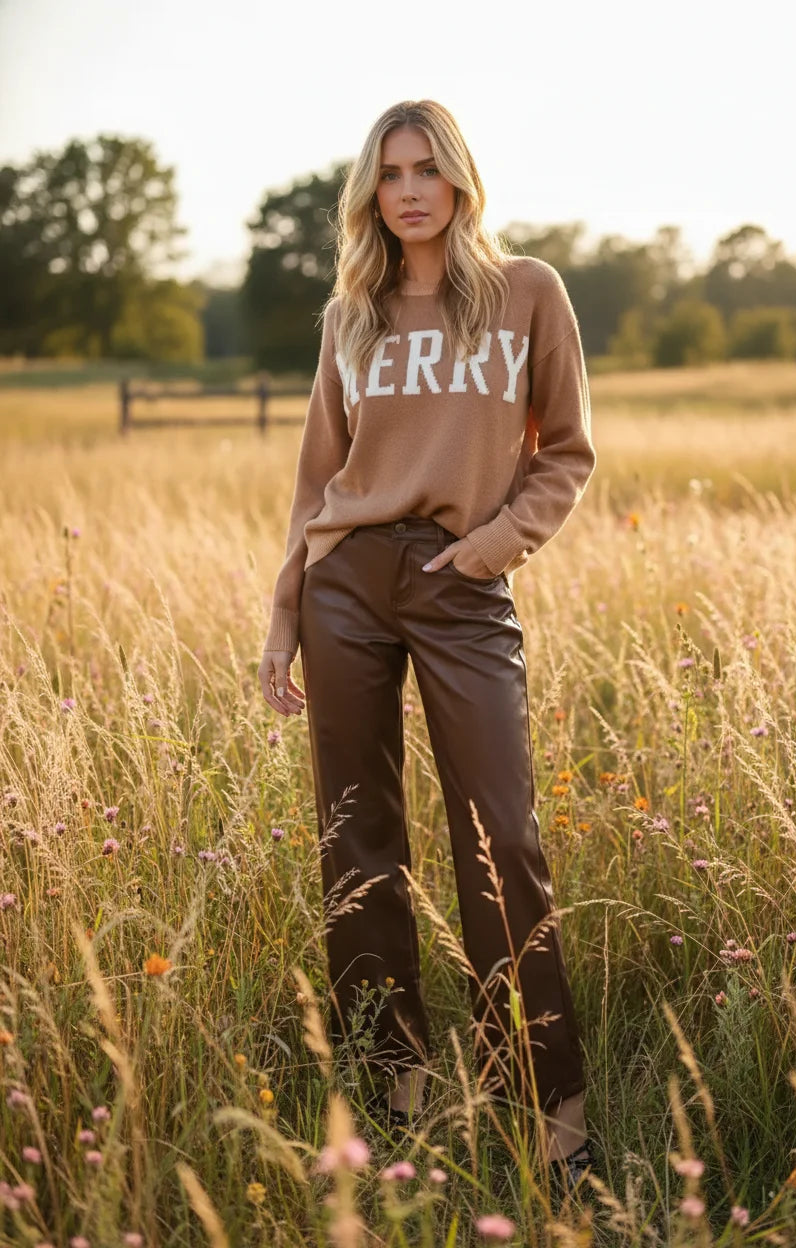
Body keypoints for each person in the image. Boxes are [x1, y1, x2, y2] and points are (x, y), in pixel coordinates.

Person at [258, 99, 598, 1190]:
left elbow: (566, 453)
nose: (408, 189)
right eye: (389, 173)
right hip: (345, 585)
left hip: (461, 581)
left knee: (502, 839)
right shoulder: (349, 316)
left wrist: (493, 548)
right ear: (371, 193)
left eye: (426, 169)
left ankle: (549, 1115)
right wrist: (283, 613)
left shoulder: (525, 293)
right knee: (358, 844)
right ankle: (390, 1094)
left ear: (458, 180)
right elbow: (319, 482)